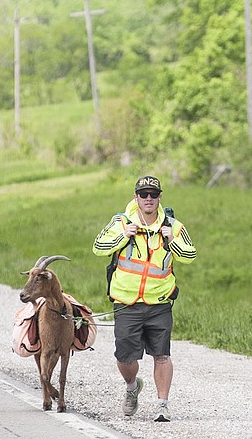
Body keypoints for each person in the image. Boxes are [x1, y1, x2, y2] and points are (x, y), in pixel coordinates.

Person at [92, 175, 197, 421]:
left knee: (162, 355)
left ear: (160, 197)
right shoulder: (121, 222)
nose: (148, 199)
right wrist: (122, 237)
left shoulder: (174, 226)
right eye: (143, 194)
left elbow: (190, 255)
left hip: (159, 302)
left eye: (153, 194)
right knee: (125, 358)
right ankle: (132, 387)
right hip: (127, 303)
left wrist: (171, 239)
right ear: (135, 197)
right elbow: (97, 246)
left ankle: (163, 405)